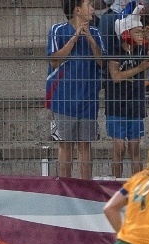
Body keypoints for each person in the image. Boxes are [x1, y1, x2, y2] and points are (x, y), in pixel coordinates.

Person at [46, 0, 105, 180]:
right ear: (77, 10)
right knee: (65, 145)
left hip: (88, 98)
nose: (93, 8)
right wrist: (75, 38)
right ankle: (65, 187)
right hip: (64, 98)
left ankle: (85, 189)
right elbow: (54, 60)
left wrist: (89, 38)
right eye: (89, 5)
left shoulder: (95, 32)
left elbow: (103, 61)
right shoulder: (57, 30)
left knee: (85, 144)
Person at [106, 5, 149, 178]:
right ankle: (116, 182)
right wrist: (140, 68)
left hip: (135, 104)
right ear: (126, 33)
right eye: (137, 32)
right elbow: (116, 76)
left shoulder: (140, 49)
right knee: (119, 148)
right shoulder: (115, 50)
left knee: (135, 149)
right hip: (117, 106)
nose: (140, 35)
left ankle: (136, 185)